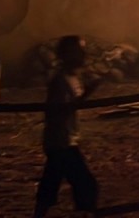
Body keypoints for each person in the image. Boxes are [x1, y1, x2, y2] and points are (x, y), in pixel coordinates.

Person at [34, 35, 100, 218]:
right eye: (79, 51)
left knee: (50, 184)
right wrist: (87, 94)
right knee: (86, 186)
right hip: (61, 142)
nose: (83, 55)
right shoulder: (60, 81)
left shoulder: (72, 78)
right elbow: (59, 111)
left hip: (63, 140)